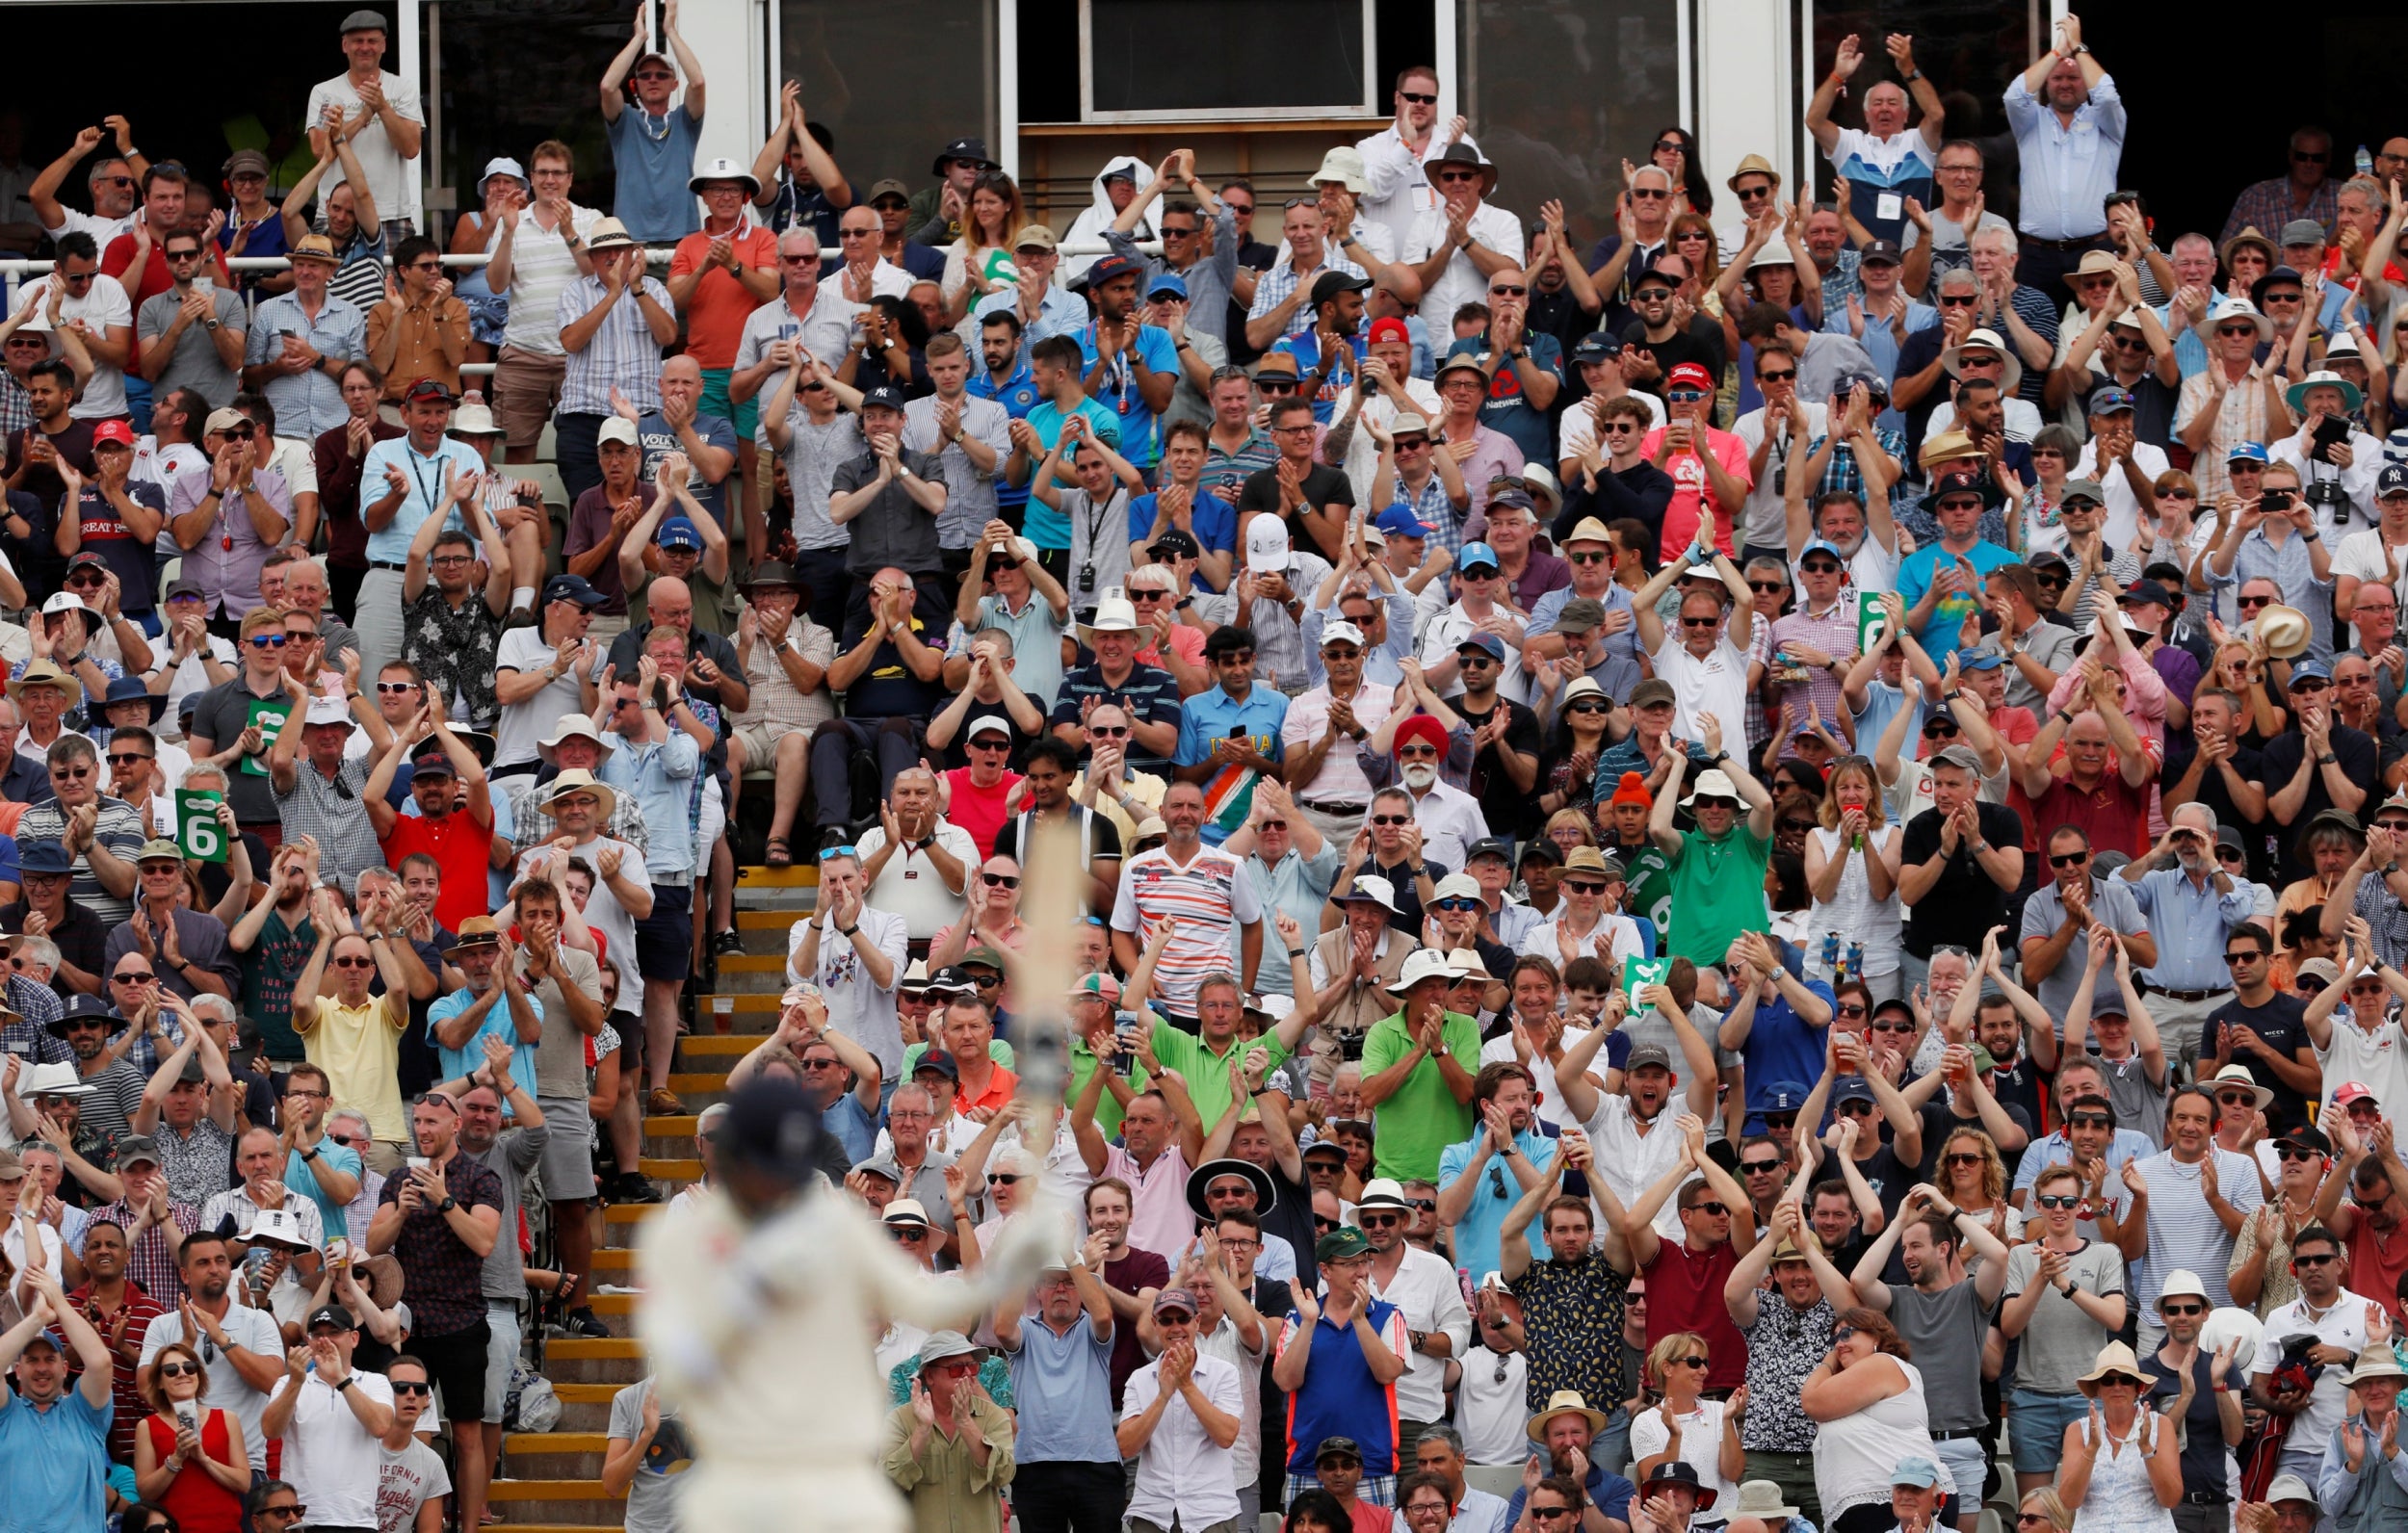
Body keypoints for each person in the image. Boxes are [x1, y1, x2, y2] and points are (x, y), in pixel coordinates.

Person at [364, 1089, 505, 1529]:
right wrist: (402, 1213)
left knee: (466, 1432)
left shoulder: (480, 1179)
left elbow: (483, 1242)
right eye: (418, 1122)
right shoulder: (398, 1179)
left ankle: (467, 1527)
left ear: (455, 1126)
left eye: (431, 1122)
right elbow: (372, 1245)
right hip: (408, 1327)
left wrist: (444, 1200)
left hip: (461, 1319)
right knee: (410, 1428)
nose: (422, 1129)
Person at [1845, 1184, 2009, 1527]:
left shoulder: (1971, 1294)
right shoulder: (1898, 1298)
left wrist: (1948, 1207)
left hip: (1962, 1445)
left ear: (1943, 1249)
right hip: (1910, 1445)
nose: (1907, 1255)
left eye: (1916, 1245)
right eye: (1904, 1248)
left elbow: (1999, 1255)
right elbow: (1860, 1278)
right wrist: (1900, 1222)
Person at [1999, 1162, 2132, 1494]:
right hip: (2032, 1396)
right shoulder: (2021, 1257)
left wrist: (2066, 1286)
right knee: (2034, 1505)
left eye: (2069, 1202)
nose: (2060, 1209)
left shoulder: (2104, 1254)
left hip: (2088, 1395)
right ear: (2037, 1205)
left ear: (2081, 1206)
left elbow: (2116, 1318)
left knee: (2094, 1500)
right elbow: (2010, 1327)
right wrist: (2041, 1278)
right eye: (2051, 1201)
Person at [1273, 1225, 1411, 1503]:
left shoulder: (1388, 1315)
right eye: (1350, 1264)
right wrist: (1310, 1323)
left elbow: (1388, 1373)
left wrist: (1359, 1320)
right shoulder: (1298, 1318)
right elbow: (1286, 1381)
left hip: (1371, 1464)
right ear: (1325, 1270)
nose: (1361, 1271)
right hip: (1309, 1463)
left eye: (1364, 1262)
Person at [1798, 1309, 1955, 1533]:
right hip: (1872, 1510)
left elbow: (1812, 1402)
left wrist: (1828, 1362)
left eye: (1846, 1334)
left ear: (1875, 1336)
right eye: (1834, 1339)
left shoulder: (1882, 1363)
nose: (1838, 1344)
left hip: (1901, 1503)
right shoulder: (1856, 1382)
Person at [1118, 1285, 1245, 1533]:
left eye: (1183, 1318)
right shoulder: (1139, 1379)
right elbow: (1126, 1446)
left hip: (1210, 1512)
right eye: (1166, 1320)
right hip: (1153, 1512)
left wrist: (1186, 1385)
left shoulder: (1224, 1373)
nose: (1175, 1327)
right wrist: (1163, 1396)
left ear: (1197, 1321)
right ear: (1155, 1324)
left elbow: (1226, 1436)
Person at [0, 1261, 115, 1532]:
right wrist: (37, 1318)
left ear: (64, 1369)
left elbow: (100, 1363)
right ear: (18, 1370)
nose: (41, 1368)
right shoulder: (6, 1414)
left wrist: (60, 1306)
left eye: (50, 1359)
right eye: (32, 1360)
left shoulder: (84, 1414)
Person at [880, 1328, 1019, 1533]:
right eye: (956, 1369)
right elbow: (886, 1486)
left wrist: (965, 1423)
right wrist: (921, 1431)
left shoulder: (994, 1416)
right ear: (930, 1375)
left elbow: (1004, 1475)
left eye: (972, 1367)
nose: (967, 1375)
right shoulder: (901, 1419)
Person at [598, 0, 705, 243]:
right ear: (636, 85)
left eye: (661, 75)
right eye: (645, 76)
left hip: (682, 236)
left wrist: (670, 30)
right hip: (632, 237)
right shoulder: (625, 120)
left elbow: (697, 82)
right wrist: (639, 37)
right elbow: (607, 86)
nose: (652, 79)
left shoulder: (684, 120)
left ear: (674, 84)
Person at [131, 1339, 250, 1533]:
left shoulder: (227, 1419)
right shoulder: (147, 1426)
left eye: (189, 1367)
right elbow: (145, 1492)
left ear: (198, 1374)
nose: (182, 1373)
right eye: (171, 1370)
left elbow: (244, 1482)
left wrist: (204, 1460)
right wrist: (176, 1459)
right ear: (159, 1382)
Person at [374, 1353, 451, 1533]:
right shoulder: (356, 1447)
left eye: (419, 1389)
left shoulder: (432, 1463)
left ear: (427, 1399)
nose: (411, 1395)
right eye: (400, 1388)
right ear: (383, 1393)